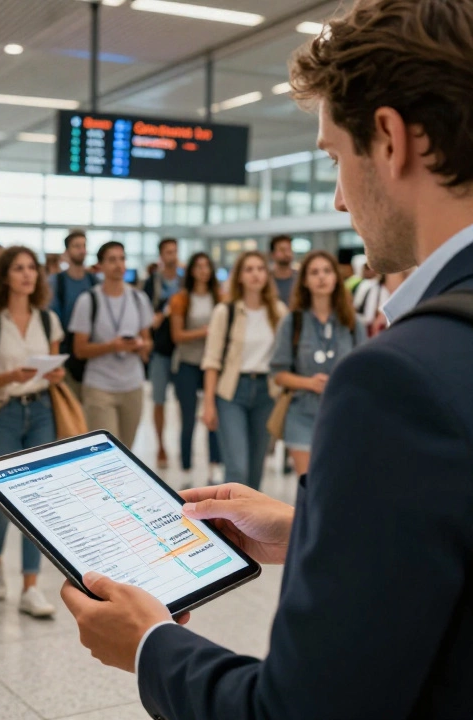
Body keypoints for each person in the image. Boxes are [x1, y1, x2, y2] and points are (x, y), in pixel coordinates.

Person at [61, 2, 473, 715]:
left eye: (335, 159)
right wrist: (313, 528)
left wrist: (151, 645)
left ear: (389, 138)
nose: (341, 199)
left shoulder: (396, 378)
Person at [0, 246, 64, 619]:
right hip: (2, 412)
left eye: (32, 269)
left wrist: (53, 373)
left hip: (40, 410)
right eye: (18, 268)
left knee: (36, 501)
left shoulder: (47, 320)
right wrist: (11, 375)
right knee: (2, 500)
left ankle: (30, 585)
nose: (27, 275)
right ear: (4, 276)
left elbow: (56, 371)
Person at [270, 250, 365, 476]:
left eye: (327, 271)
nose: (321, 277)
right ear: (304, 280)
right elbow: (279, 373)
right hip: (302, 414)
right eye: (314, 272)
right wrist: (309, 383)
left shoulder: (353, 322)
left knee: (336, 483)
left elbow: (364, 371)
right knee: (309, 486)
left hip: (342, 415)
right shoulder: (292, 322)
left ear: (336, 277)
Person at [199, 251, 285, 490]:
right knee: (237, 467)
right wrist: (208, 404)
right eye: (249, 269)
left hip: (266, 392)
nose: (256, 274)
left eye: (260, 268)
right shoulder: (224, 312)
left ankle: (249, 526)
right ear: (239, 277)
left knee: (257, 467)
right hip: (231, 392)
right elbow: (212, 360)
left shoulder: (278, 312)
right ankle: (230, 526)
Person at [69, 241, 154, 448]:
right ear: (100, 266)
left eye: (122, 258)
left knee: (127, 450)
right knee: (107, 452)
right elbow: (79, 350)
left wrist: (140, 345)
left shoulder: (138, 298)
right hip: (100, 386)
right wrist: (112, 346)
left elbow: (148, 340)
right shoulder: (88, 300)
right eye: (112, 260)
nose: (118, 264)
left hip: (132, 384)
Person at [167, 252, 223, 482]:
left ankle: (214, 464)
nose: (203, 270)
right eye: (198, 266)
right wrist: (205, 331)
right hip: (188, 363)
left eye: (206, 266)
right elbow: (177, 335)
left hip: (213, 363)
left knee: (213, 414)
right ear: (191, 271)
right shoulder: (181, 299)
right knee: (188, 416)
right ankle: (186, 467)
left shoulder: (220, 297)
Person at [143, 237, 181, 469]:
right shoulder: (152, 283)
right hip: (160, 350)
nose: (172, 256)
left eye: (175, 251)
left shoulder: (184, 281)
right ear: (161, 255)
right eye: (168, 252)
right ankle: (160, 445)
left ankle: (182, 446)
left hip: (183, 350)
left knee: (184, 402)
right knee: (159, 400)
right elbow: (145, 315)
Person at [50, 230, 98, 400]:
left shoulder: (94, 281)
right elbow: (52, 319)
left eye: (84, 246)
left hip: (92, 352)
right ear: (67, 251)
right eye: (76, 246)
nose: (81, 250)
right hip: (66, 352)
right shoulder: (57, 282)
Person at [356, 267, 413, 337]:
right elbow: (365, 320)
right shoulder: (371, 289)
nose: (403, 279)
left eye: (405, 276)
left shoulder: (409, 297)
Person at [269, 235, 297, 305]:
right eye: (282, 250)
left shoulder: (300, 278)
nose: (287, 253)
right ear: (272, 254)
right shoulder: (266, 280)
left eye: (289, 249)